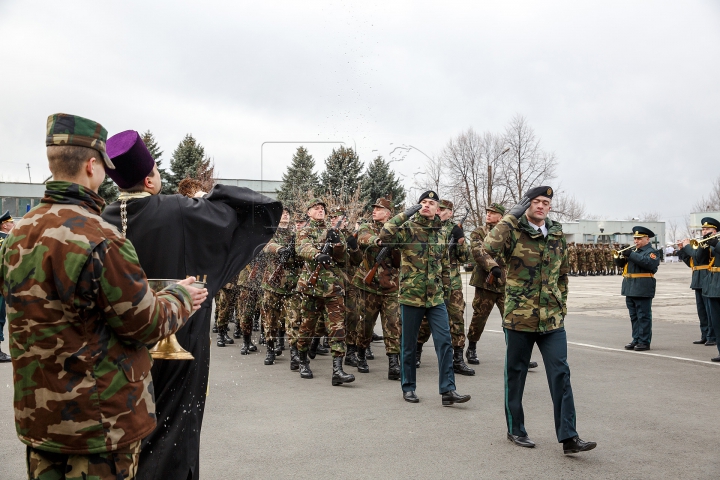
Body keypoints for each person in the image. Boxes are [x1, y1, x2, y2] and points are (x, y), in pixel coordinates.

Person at [0, 113, 208, 479]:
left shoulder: (19, 234)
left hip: (40, 422)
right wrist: (180, 296)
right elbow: (146, 325)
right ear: (93, 166)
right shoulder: (100, 238)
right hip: (98, 428)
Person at [101, 129, 281, 480]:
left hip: (120, 343)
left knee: (125, 425)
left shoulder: (101, 220)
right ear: (151, 176)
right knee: (173, 426)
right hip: (176, 339)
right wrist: (211, 194)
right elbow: (259, 209)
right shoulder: (179, 209)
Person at [484, 185, 596, 454]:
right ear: (527, 204)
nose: (541, 206)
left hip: (552, 320)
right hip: (519, 318)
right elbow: (488, 246)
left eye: (545, 202)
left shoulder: (557, 233)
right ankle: (516, 429)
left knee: (561, 374)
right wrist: (510, 216)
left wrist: (562, 306)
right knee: (516, 374)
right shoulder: (514, 231)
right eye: (535, 201)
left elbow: (563, 275)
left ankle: (569, 437)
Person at [377, 191, 471, 406]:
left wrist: (446, 293)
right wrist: (405, 214)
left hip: (436, 297)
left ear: (438, 208)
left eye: (431, 203)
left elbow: (445, 265)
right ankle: (408, 387)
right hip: (411, 296)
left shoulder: (441, 233)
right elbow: (385, 234)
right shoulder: (408, 229)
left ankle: (448, 390)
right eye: (422, 203)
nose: (426, 205)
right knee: (409, 345)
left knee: (445, 343)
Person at [467, 203, 539, 370]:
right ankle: (471, 348)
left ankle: (520, 356)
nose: (488, 215)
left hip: (505, 283)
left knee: (513, 320)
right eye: (487, 212)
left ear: (501, 217)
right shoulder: (478, 232)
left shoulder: (510, 232)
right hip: (486, 283)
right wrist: (493, 267)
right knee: (479, 318)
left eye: (492, 213)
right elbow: (478, 252)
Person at [296, 198, 358, 385]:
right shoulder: (304, 231)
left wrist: (338, 243)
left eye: (322, 208)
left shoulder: (334, 231)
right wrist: (317, 254)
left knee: (337, 328)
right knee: (307, 326)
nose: (320, 210)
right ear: (309, 213)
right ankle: (303, 361)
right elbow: (302, 247)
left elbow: (345, 259)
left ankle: (337, 370)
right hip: (311, 288)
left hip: (333, 288)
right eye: (316, 208)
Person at [416, 200, 475, 375]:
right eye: (438, 209)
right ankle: (416, 352)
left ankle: (457, 359)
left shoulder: (454, 229)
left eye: (443, 210)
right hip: (432, 282)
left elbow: (465, 259)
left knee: (457, 319)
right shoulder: (428, 227)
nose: (439, 212)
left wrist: (461, 240)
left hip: (453, 283)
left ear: (450, 213)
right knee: (425, 321)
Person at [353, 197, 402, 379]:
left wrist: (395, 247)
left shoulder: (398, 231)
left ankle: (393, 363)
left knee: (392, 324)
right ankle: (360, 354)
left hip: (391, 287)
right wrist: (379, 242)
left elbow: (400, 258)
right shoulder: (368, 227)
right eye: (374, 208)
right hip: (369, 286)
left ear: (388, 213)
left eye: (379, 208)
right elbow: (363, 238)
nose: (374, 210)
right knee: (366, 324)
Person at [260, 208, 299, 365]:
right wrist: (280, 249)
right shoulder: (271, 232)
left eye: (288, 214)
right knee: (270, 320)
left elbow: (303, 248)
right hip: (272, 284)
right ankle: (270, 350)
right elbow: (266, 245)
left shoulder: (295, 233)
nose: (285, 215)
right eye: (282, 213)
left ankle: (295, 354)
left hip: (292, 286)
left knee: (294, 320)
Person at [613, 226, 660, 351]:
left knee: (643, 316)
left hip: (643, 288)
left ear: (647, 239)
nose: (636, 241)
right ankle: (636, 339)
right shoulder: (634, 252)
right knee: (634, 316)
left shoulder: (652, 252)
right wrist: (619, 257)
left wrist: (631, 255)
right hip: (630, 287)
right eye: (635, 239)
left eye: (639, 239)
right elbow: (621, 265)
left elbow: (648, 264)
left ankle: (644, 341)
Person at [677, 218, 717, 346]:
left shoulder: (710, 243)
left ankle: (712, 336)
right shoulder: (702, 243)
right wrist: (682, 250)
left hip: (707, 276)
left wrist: (687, 246)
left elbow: (697, 255)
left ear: (715, 231)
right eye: (703, 229)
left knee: (710, 310)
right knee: (702, 310)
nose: (704, 231)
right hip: (698, 278)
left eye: (707, 229)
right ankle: (705, 335)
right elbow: (692, 262)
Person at [0, 211, 14, 363]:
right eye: (11, 223)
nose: (13, 225)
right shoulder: (5, 240)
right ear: (4, 225)